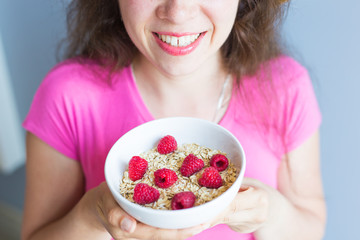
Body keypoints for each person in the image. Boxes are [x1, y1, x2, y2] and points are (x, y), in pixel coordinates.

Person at [21, 0, 326, 239]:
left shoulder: (285, 89)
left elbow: (311, 226)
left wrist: (269, 212)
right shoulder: (66, 97)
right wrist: (92, 215)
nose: (178, 12)